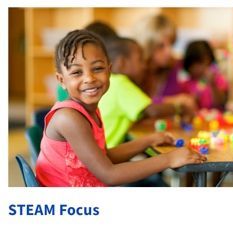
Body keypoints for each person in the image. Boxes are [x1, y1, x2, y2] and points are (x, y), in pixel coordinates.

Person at [34, 30, 205, 186]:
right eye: (77, 72)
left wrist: (148, 140)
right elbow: (109, 174)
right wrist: (169, 159)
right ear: (62, 80)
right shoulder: (69, 118)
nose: (89, 78)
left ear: (109, 71)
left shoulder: (89, 111)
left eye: (98, 68)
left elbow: (105, 157)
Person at [100, 36, 186, 149]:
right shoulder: (120, 83)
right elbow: (152, 111)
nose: (144, 66)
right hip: (107, 154)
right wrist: (180, 107)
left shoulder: (111, 81)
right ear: (122, 63)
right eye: (140, 60)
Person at [132, 14, 197, 114]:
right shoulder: (134, 70)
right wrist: (172, 101)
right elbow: (136, 105)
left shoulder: (173, 66)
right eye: (161, 46)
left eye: (171, 43)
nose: (169, 51)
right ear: (147, 45)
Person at [167, 40, 229, 110]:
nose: (203, 67)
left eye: (207, 62)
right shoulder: (184, 85)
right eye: (199, 63)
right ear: (189, 64)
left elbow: (221, 102)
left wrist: (212, 84)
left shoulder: (217, 79)